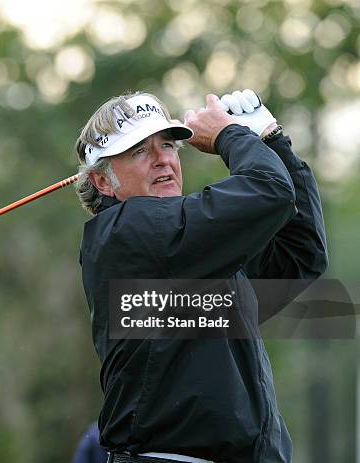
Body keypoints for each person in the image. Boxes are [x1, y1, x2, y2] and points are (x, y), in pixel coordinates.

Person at [74, 89, 327, 462]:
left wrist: (272, 140)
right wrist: (231, 135)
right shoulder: (127, 232)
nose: (163, 160)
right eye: (140, 151)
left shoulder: (189, 248)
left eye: (168, 146)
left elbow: (300, 253)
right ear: (102, 182)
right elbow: (269, 193)